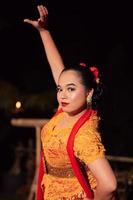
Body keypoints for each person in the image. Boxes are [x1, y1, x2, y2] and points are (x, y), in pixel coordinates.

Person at [24, 5, 117, 200]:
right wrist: (44, 31)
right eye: (60, 89)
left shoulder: (84, 133)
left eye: (71, 89)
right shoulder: (66, 111)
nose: (63, 94)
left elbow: (109, 185)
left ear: (89, 92)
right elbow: (58, 69)